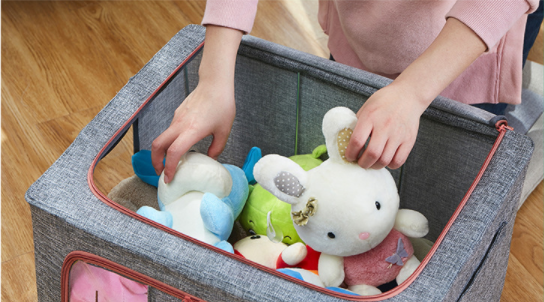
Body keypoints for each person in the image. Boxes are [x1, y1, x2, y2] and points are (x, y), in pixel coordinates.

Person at [151, 0, 540, 182]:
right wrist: (214, 79)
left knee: (444, 177)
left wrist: (413, 92)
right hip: (359, 29)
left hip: (465, 47)